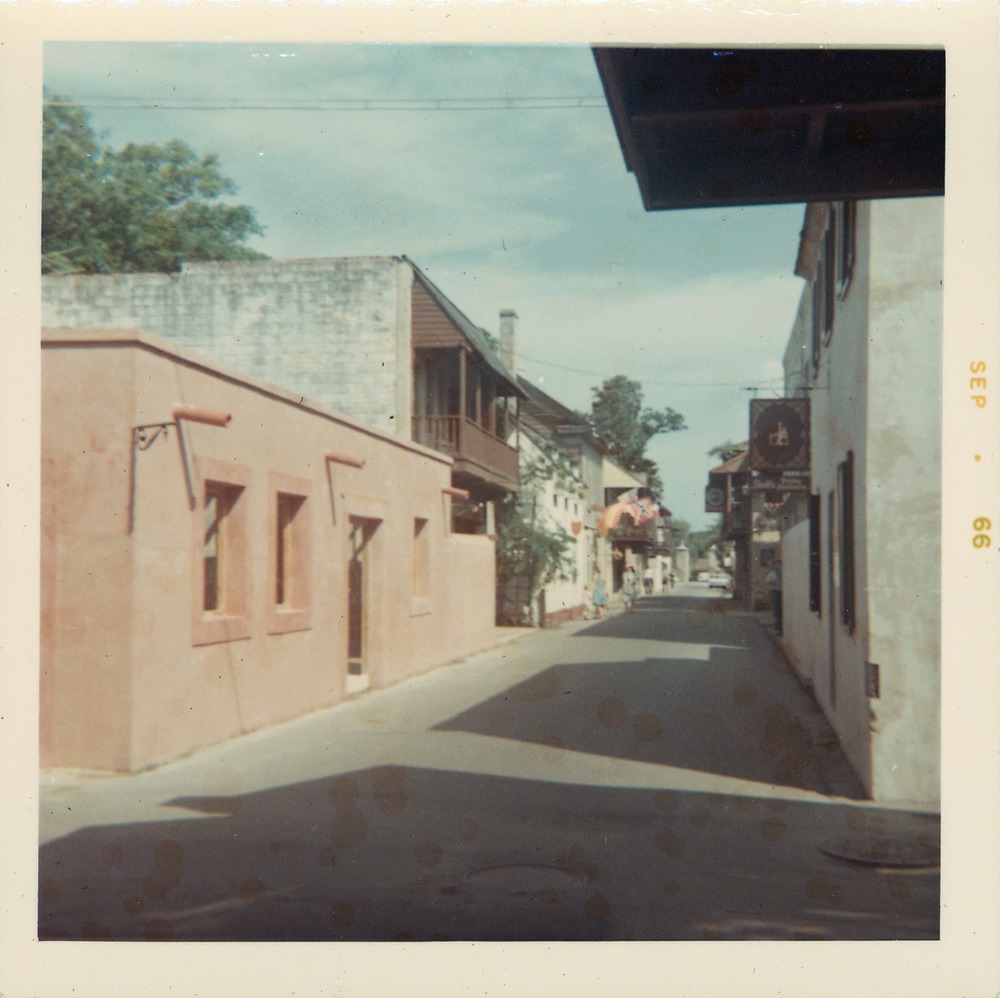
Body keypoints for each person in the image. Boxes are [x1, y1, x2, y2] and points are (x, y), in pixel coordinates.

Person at [764, 556, 783, 635]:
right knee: (777, 610)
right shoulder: (777, 572)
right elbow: (766, 582)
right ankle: (778, 628)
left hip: (777, 591)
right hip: (777, 591)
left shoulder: (777, 571)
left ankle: (778, 628)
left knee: (777, 610)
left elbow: (769, 563)